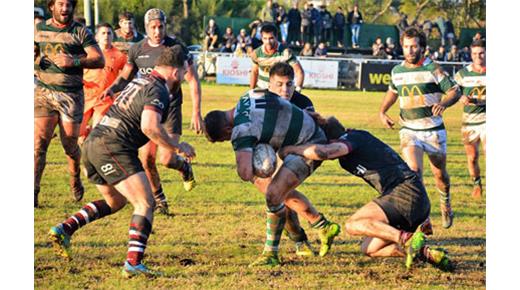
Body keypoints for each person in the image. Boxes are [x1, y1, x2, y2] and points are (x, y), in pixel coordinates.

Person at [48, 46, 196, 278]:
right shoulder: (158, 89)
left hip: (94, 144)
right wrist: (177, 146)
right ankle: (133, 263)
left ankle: (65, 228)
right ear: (176, 72)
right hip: (113, 147)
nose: (186, 78)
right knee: (146, 204)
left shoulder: (142, 80)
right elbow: (149, 126)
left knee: (115, 201)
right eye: (185, 73)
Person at [202, 64, 341, 267]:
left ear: (227, 128)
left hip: (308, 145)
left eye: (225, 138)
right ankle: (319, 227)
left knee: (273, 192)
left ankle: (272, 254)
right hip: (304, 138)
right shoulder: (248, 95)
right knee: (274, 191)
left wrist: (257, 163)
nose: (229, 140)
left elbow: (244, 172)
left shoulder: (241, 129)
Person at [279, 115, 453, 271]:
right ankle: (426, 253)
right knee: (370, 249)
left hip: (404, 192)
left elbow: (325, 152)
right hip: (413, 199)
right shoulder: (355, 142)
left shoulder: (354, 138)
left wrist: (293, 149)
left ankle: (406, 239)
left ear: (329, 140)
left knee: (353, 225)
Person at [102, 8, 202, 215]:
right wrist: (112, 88)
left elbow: (192, 79)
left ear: (165, 26)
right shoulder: (137, 49)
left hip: (171, 108)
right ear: (146, 28)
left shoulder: (176, 48)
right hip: (149, 108)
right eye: (153, 27)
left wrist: (196, 112)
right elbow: (126, 75)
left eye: (161, 27)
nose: (157, 31)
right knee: (146, 158)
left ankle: (184, 167)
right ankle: (160, 200)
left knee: (167, 159)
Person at [379, 27, 461, 230]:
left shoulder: (433, 69)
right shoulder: (397, 71)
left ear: (422, 47)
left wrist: (444, 103)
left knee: (440, 174)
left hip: (433, 131)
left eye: (414, 46)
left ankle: (445, 202)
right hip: (409, 129)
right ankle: (423, 218)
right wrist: (382, 111)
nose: (410, 50)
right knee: (414, 173)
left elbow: (454, 91)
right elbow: (393, 91)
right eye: (406, 46)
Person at [34, 0, 105, 207]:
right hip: (44, 92)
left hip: (71, 96)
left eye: (68, 5)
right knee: (39, 145)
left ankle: (75, 177)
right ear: (51, 7)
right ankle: (33, 193)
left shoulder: (80, 32)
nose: (65, 9)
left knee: (70, 146)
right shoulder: (39, 29)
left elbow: (99, 59)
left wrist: (73, 61)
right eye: (61, 5)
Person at [79, 23, 127, 144]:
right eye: (103, 33)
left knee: (97, 132)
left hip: (104, 98)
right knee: (78, 133)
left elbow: (127, 74)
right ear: (96, 37)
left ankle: (93, 153)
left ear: (113, 36)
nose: (106, 36)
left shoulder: (119, 55)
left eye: (109, 33)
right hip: (86, 96)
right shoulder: (88, 53)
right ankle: (86, 133)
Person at [454, 40, 486, 199]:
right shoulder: (463, 74)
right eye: (474, 54)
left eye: (481, 53)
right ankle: (476, 183)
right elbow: (452, 92)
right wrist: (461, 97)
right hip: (469, 122)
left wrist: (479, 101)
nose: (478, 57)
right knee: (472, 158)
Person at [249, 23, 304, 91]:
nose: (268, 41)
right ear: (261, 38)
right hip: (262, 91)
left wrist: (297, 89)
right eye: (265, 38)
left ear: (276, 37)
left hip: (280, 93)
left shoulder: (286, 52)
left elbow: (299, 72)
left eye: (271, 38)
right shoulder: (256, 53)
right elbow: (254, 72)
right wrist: (251, 91)